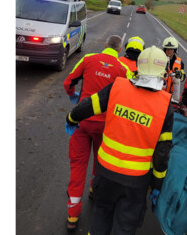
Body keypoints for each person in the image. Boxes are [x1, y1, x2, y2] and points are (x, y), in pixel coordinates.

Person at [65, 46, 174, 235]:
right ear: (163, 72)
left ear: (138, 67)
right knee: (125, 226)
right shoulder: (165, 105)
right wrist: (157, 184)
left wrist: (71, 118)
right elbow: (162, 152)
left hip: (105, 172)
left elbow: (89, 105)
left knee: (100, 217)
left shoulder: (118, 87)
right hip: (135, 181)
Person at [62, 34, 133, 231]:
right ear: (119, 50)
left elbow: (68, 83)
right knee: (100, 161)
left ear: (105, 45)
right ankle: (94, 188)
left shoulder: (88, 59)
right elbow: (129, 97)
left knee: (78, 166)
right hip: (106, 126)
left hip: (81, 121)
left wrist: (73, 96)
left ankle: (72, 215)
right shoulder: (123, 69)